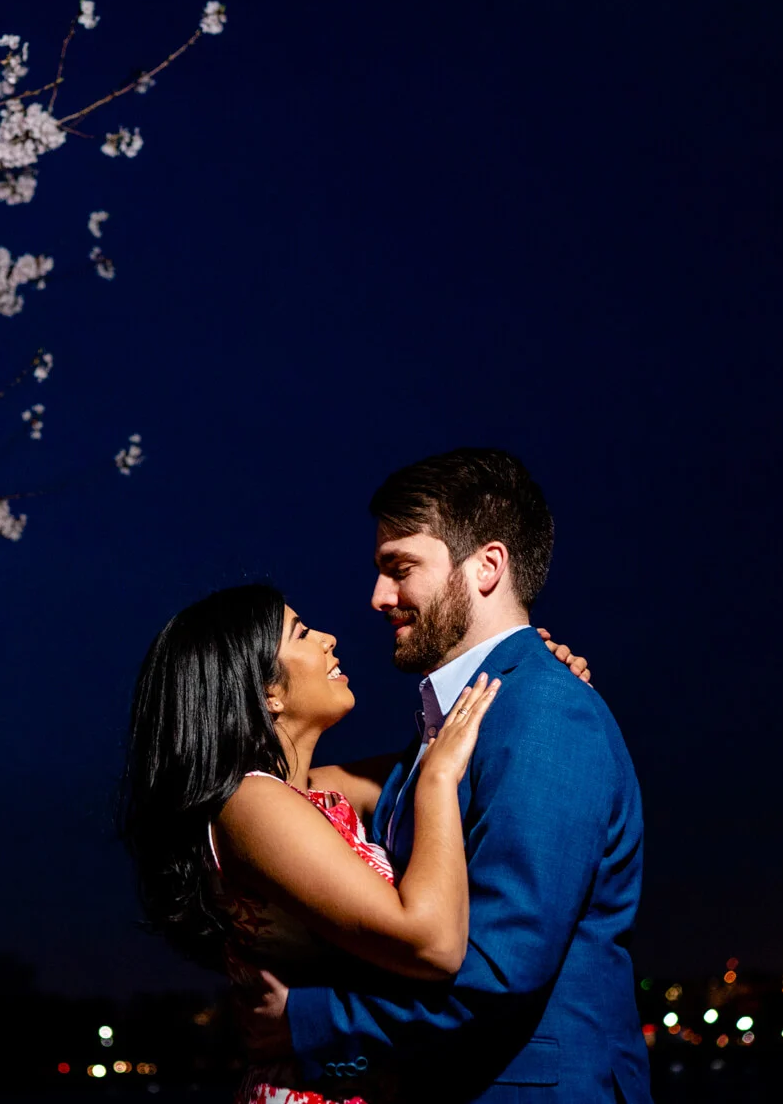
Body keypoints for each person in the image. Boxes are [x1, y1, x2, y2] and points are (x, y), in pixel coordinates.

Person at [124, 448, 649, 1104]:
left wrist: (306, 1020)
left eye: (400, 568)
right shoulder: (426, 751)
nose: (375, 599)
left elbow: (499, 969)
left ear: (487, 567)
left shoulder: (543, 713)